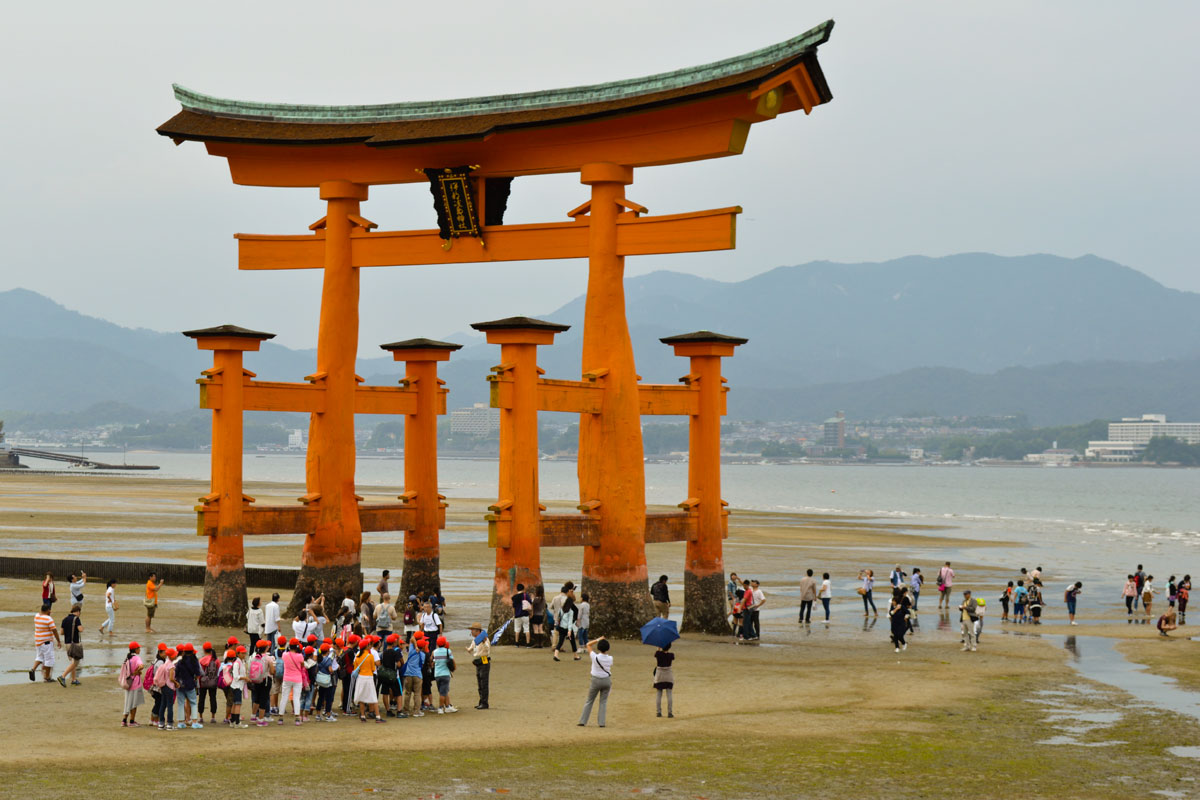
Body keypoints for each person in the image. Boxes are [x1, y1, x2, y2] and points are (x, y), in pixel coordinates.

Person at [577, 637, 612, 727]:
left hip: (595, 679)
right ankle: (602, 722)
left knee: (590, 700)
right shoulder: (610, 658)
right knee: (603, 702)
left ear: (599, 648)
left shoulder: (595, 657)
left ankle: (583, 721)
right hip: (606, 680)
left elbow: (588, 644)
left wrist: (598, 639)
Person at [353, 638, 383, 723]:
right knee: (373, 697)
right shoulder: (370, 656)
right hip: (369, 677)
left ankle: (362, 716)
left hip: (360, 677)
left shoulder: (357, 656)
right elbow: (373, 669)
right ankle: (377, 716)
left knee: (361, 697)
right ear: (367, 646)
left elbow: (355, 667)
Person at [30, 603, 60, 682]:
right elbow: (54, 630)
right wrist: (58, 641)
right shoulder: (48, 619)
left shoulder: (36, 616)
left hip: (38, 641)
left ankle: (33, 669)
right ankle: (47, 677)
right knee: (49, 659)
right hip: (46, 642)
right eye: (49, 610)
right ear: (47, 610)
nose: (50, 611)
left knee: (39, 657)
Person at [175, 643, 202, 728]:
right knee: (193, 703)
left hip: (180, 685)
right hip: (190, 684)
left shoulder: (180, 662)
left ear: (184, 652)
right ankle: (194, 722)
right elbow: (198, 674)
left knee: (180, 703)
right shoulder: (195, 661)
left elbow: (176, 674)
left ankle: (181, 722)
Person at [57, 603, 84, 687]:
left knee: (73, 662)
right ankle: (62, 676)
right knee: (75, 662)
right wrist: (82, 628)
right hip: (75, 643)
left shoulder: (64, 619)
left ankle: (73, 679)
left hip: (67, 643)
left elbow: (61, 632)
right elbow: (80, 629)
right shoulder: (77, 619)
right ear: (78, 611)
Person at [119, 641, 145, 727]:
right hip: (135, 683)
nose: (140, 650)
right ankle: (132, 721)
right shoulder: (137, 658)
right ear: (136, 649)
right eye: (139, 648)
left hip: (128, 682)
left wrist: (133, 673)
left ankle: (124, 720)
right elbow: (141, 666)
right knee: (134, 703)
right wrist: (136, 672)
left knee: (127, 702)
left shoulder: (127, 658)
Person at [465, 622, 491, 710]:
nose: (471, 632)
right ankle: (481, 701)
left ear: (477, 631)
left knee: (484, 682)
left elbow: (487, 648)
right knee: (479, 682)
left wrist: (484, 642)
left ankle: (484, 702)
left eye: (472, 630)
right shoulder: (475, 640)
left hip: (484, 660)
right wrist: (468, 649)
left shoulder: (485, 639)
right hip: (477, 661)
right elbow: (472, 647)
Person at [378, 633, 403, 717]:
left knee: (385, 693)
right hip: (393, 675)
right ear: (394, 643)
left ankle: (388, 710)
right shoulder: (395, 652)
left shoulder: (384, 653)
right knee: (398, 693)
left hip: (385, 675)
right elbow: (399, 664)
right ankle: (399, 711)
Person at [432, 635, 457, 714]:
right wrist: (454, 669)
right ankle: (440, 708)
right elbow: (452, 661)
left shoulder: (434, 652)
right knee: (443, 692)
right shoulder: (448, 651)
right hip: (445, 673)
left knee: (443, 691)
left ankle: (447, 706)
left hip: (437, 674)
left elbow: (432, 662)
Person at [153, 648, 177, 730]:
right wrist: (176, 683)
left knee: (163, 704)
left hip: (163, 686)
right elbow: (171, 678)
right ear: (172, 656)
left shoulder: (165, 663)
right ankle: (169, 724)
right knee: (170, 705)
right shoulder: (171, 665)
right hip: (169, 686)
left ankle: (161, 723)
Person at [402, 635, 426, 717]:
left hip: (408, 674)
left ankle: (405, 711)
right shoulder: (423, 655)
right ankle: (416, 711)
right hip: (418, 675)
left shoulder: (411, 650)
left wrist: (415, 646)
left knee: (407, 693)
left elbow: (412, 638)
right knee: (417, 694)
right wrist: (417, 647)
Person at [224, 647, 248, 728]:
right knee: (238, 704)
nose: (244, 655)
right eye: (242, 653)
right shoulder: (237, 663)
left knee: (235, 704)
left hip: (238, 686)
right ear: (238, 654)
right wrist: (245, 678)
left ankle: (232, 721)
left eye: (245, 653)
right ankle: (237, 723)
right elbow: (236, 676)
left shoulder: (241, 662)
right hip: (236, 686)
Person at [198, 642, 221, 724]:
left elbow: (199, 672)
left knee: (201, 699)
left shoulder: (201, 660)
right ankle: (213, 717)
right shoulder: (216, 660)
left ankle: (200, 717)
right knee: (213, 698)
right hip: (213, 682)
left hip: (203, 682)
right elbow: (218, 671)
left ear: (204, 650)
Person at [315, 642, 338, 721]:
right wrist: (333, 671)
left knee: (320, 697)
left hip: (320, 680)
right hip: (327, 681)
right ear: (328, 651)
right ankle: (328, 715)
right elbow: (330, 670)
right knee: (328, 697)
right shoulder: (328, 660)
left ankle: (318, 714)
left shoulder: (319, 659)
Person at [554, 593, 579, 662]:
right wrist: (569, 631)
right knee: (572, 642)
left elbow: (558, 617)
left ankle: (556, 654)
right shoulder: (571, 611)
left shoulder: (561, 609)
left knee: (560, 642)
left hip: (561, 627)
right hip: (567, 629)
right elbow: (570, 622)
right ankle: (575, 655)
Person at [653, 642, 675, 718]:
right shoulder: (671, 655)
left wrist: (659, 647)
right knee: (669, 694)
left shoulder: (658, 654)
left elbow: (656, 654)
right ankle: (670, 712)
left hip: (660, 675)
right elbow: (671, 656)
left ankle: (658, 712)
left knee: (659, 694)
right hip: (668, 675)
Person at [889, 587, 912, 652]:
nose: (892, 602)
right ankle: (897, 647)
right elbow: (891, 613)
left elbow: (908, 612)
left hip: (901, 623)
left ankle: (904, 643)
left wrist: (906, 617)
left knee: (900, 635)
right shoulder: (892, 607)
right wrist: (896, 609)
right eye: (892, 601)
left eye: (893, 601)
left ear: (896, 601)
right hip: (894, 623)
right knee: (895, 635)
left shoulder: (901, 606)